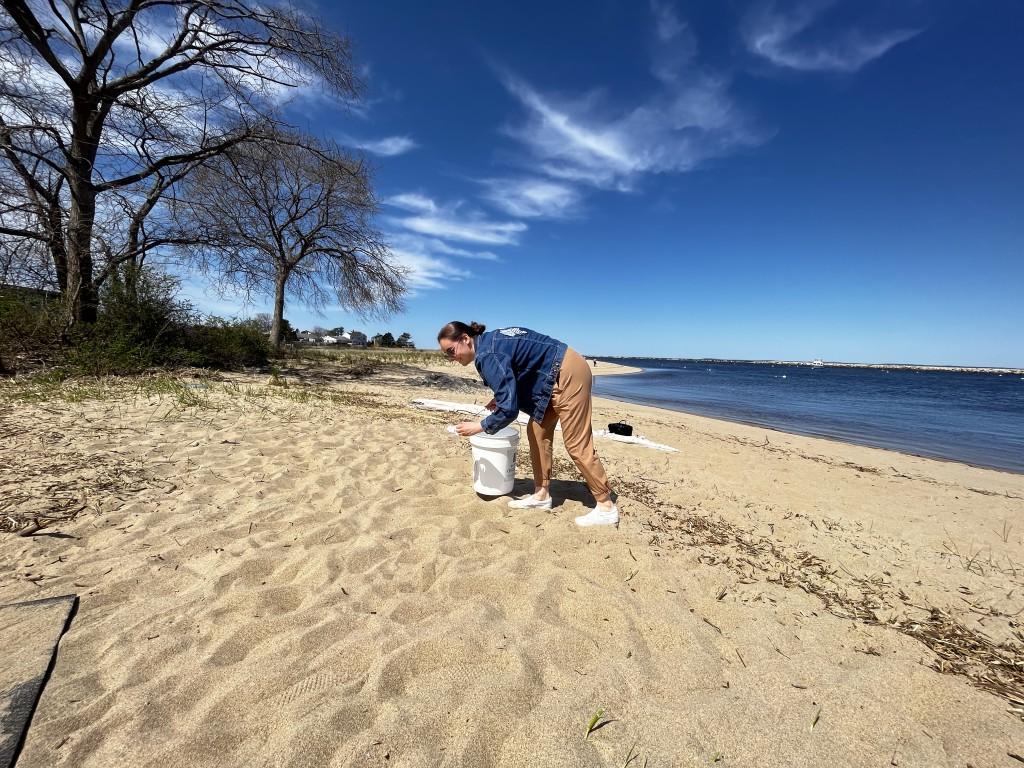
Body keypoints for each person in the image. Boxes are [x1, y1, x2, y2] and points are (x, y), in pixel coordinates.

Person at [437, 321, 618, 527]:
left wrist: (478, 426)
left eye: (451, 351)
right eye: (447, 355)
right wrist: (501, 397)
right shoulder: (489, 344)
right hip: (553, 375)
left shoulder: (488, 354)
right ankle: (541, 495)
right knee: (536, 431)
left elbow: (509, 410)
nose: (451, 358)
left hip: (567, 372)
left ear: (465, 339)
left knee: (576, 443)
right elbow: (521, 366)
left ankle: (606, 506)